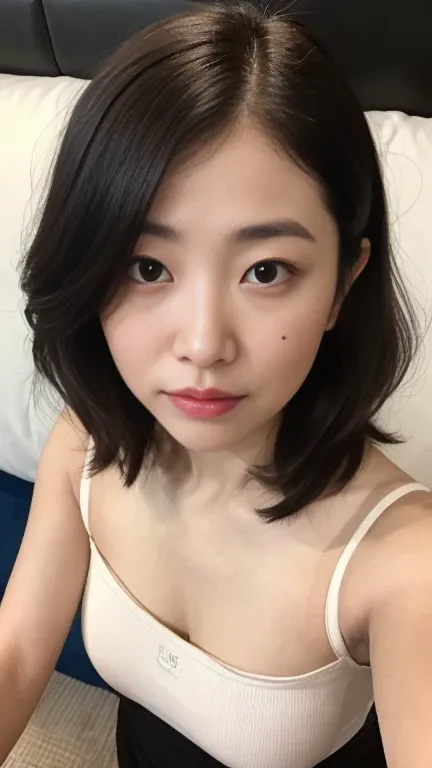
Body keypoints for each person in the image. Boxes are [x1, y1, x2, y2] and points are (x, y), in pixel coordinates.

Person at [1, 0, 431, 766]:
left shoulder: (403, 562)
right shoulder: (84, 447)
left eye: (266, 271)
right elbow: (16, 655)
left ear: (343, 284)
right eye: (147, 267)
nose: (203, 344)